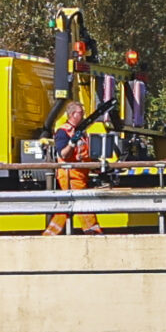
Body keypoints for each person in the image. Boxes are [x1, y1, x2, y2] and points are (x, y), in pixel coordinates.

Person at [43, 101, 103, 235]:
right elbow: (63, 154)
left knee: (66, 206)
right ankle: (93, 232)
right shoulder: (63, 132)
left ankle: (49, 235)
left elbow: (82, 154)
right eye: (81, 113)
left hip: (79, 175)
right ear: (72, 114)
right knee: (82, 203)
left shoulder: (80, 132)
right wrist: (72, 143)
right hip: (70, 175)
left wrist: (95, 164)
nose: (83, 116)